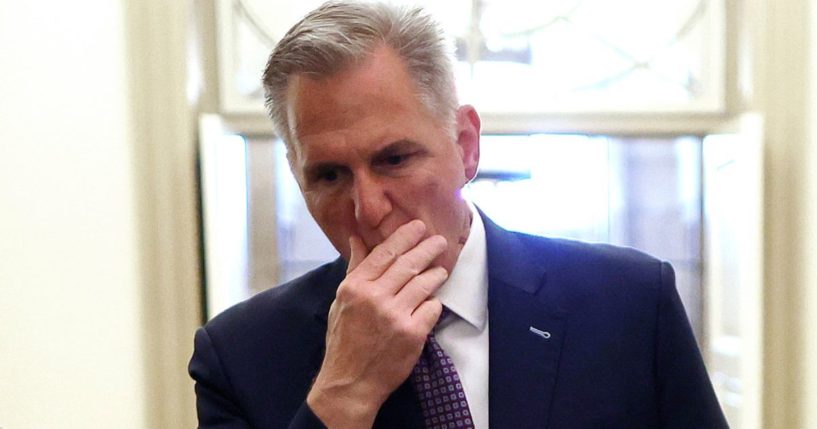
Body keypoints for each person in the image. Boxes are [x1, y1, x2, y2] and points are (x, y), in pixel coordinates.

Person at [189, 1, 729, 428]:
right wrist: (344, 396)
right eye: (329, 175)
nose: (368, 208)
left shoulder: (628, 302)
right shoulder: (240, 355)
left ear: (466, 145)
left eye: (394, 159)